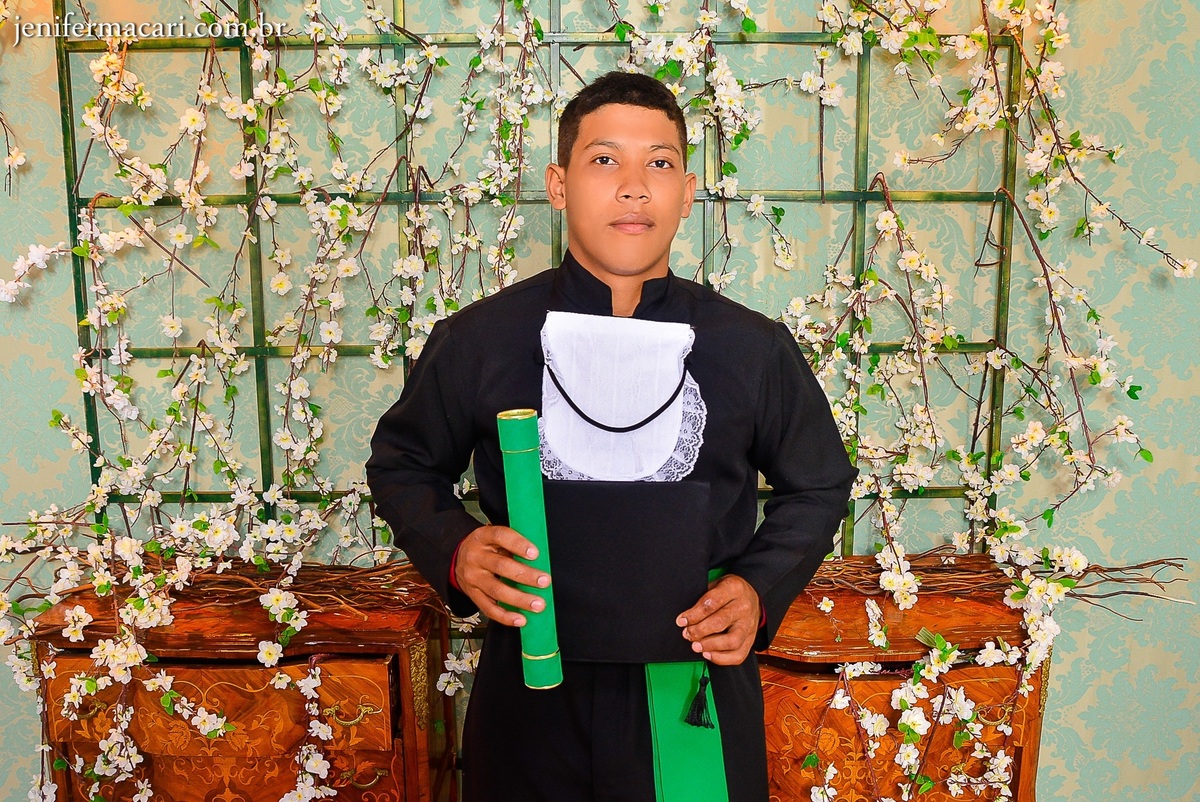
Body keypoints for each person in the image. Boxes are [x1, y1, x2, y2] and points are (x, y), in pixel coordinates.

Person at [366, 71, 857, 802]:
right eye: (604, 160)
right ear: (558, 186)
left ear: (686, 192)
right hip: (530, 687)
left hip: (691, 689)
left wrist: (756, 589)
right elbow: (402, 464)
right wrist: (457, 550)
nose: (634, 188)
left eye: (658, 163)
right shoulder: (480, 339)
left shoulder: (751, 348)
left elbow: (819, 483)